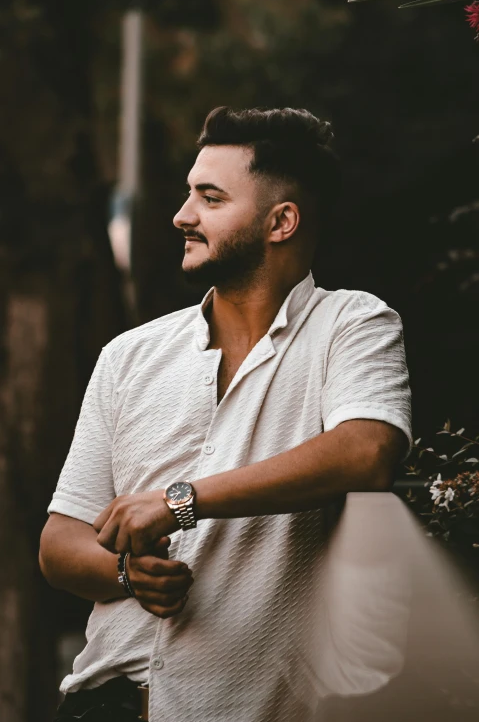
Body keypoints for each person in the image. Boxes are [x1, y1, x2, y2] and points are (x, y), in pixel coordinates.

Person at [40, 106, 412, 722]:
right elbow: (59, 544)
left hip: (250, 707)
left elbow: (366, 450)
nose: (182, 216)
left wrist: (180, 500)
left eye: (210, 198)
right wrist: (128, 575)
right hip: (100, 703)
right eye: (190, 195)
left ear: (281, 221)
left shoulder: (353, 324)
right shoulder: (129, 355)